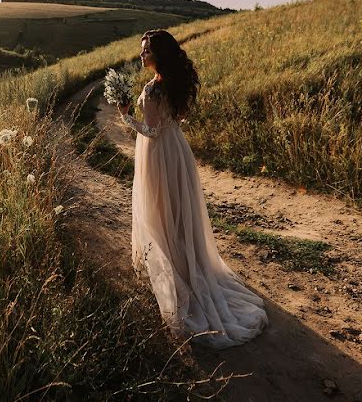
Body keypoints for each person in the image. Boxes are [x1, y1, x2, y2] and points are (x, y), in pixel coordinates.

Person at [115, 29, 268, 349]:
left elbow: (152, 131)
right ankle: (187, 263)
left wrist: (126, 117)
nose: (142, 55)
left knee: (160, 212)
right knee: (177, 212)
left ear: (160, 54)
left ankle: (176, 272)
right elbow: (175, 120)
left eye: (146, 51)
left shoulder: (153, 88)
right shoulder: (173, 83)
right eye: (142, 51)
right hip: (178, 151)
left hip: (158, 155)